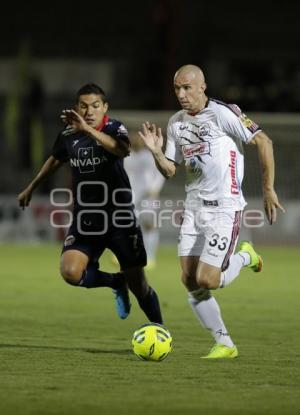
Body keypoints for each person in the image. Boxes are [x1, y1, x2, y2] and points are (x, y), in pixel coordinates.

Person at [139, 65, 285, 359]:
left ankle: (245, 256)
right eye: (177, 89)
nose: (181, 94)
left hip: (225, 209)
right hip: (193, 210)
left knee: (207, 279)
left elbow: (263, 142)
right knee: (189, 279)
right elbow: (169, 170)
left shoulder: (223, 113)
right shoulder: (176, 123)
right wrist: (156, 152)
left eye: (187, 88)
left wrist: (268, 189)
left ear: (202, 87)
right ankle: (225, 344)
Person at [18, 83, 163, 325]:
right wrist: (32, 186)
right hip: (87, 220)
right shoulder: (68, 134)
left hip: (120, 219)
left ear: (104, 107)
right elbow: (55, 160)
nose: (89, 111)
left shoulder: (115, 127)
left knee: (139, 284)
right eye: (84, 106)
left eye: (95, 106)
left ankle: (160, 329)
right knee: (71, 272)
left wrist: (86, 129)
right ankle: (115, 282)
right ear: (77, 107)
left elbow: (122, 150)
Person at [124, 132, 165, 269]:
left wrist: (155, 189)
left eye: (139, 140)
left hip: (148, 195)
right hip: (132, 196)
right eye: (134, 139)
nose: (137, 142)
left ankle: (151, 257)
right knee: (128, 226)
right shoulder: (127, 157)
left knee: (149, 225)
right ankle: (127, 255)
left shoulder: (149, 156)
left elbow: (160, 173)